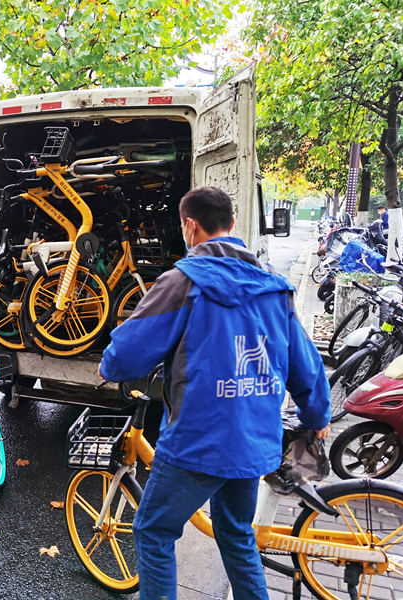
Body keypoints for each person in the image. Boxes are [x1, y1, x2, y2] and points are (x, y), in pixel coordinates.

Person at [99, 186, 331, 600]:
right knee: (237, 534)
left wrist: (110, 367)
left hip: (197, 443)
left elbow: (125, 355)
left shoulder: (183, 282)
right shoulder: (275, 288)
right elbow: (307, 366)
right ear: (233, 224)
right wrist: (317, 418)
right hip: (252, 441)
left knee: (153, 531)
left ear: (190, 225)